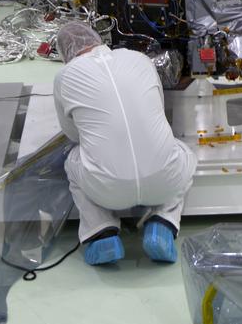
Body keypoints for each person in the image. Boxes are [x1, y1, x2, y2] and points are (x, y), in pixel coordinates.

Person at [53, 20, 196, 267]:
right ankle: (163, 223)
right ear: (98, 40)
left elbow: (73, 135)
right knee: (184, 154)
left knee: (73, 160)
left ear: (66, 54)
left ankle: (101, 233)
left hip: (107, 191)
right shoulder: (139, 59)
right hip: (163, 183)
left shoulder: (64, 77)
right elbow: (157, 110)